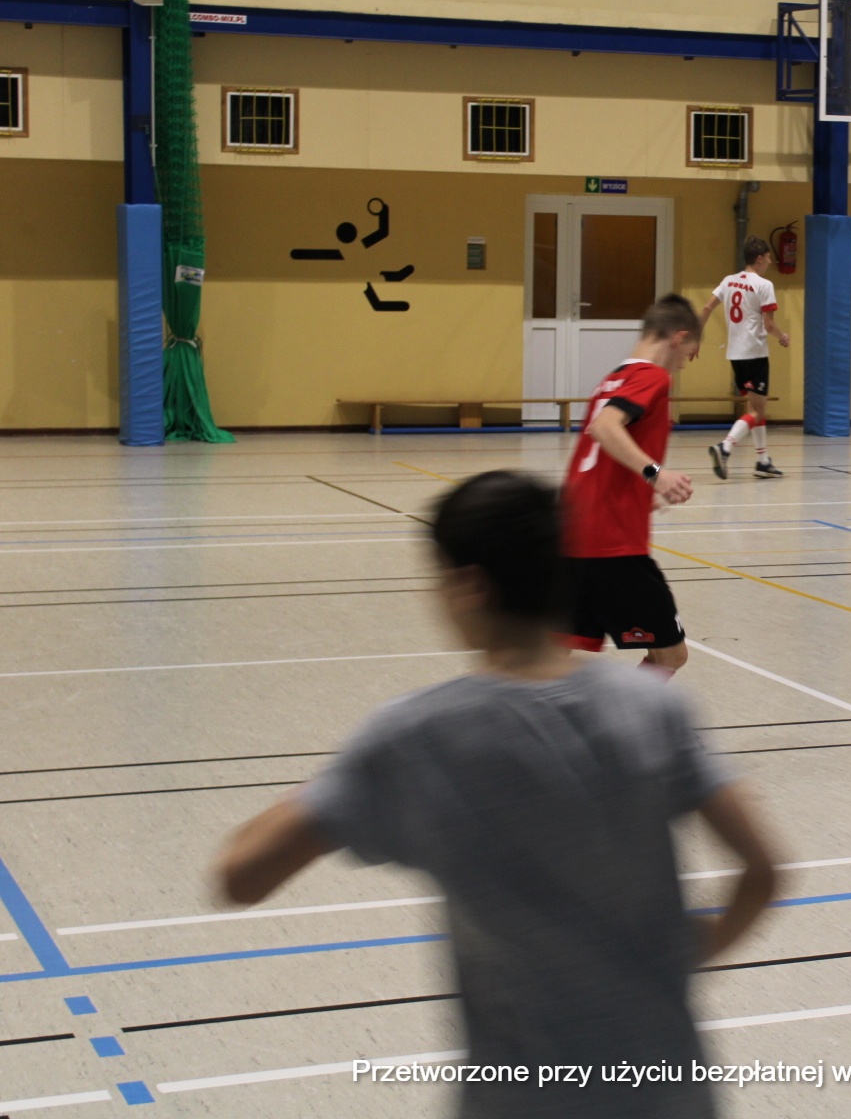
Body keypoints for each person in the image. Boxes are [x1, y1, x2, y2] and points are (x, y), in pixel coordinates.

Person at [214, 469, 780, 1119]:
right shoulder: (651, 705)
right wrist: (697, 949)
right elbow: (763, 870)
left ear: (469, 586)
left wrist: (356, 771)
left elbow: (241, 875)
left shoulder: (418, 735)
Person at [563, 295, 700, 677]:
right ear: (678, 338)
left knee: (549, 661)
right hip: (613, 544)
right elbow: (605, 428)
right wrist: (657, 474)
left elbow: (601, 455)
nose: (682, 366)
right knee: (670, 656)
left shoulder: (612, 379)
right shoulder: (652, 377)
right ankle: (617, 716)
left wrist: (641, 493)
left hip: (573, 531)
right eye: (688, 355)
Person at [702, 237, 790, 480]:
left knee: (755, 408)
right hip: (755, 353)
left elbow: (707, 308)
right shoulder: (764, 285)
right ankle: (725, 447)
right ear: (759, 258)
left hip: (736, 355)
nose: (770, 262)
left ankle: (763, 462)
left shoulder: (728, 281)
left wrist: (696, 337)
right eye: (768, 258)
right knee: (758, 411)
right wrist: (782, 336)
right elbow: (768, 324)